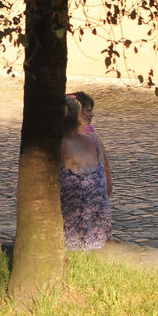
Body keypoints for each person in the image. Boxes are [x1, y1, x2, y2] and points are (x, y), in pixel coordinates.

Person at [60, 96, 112, 250]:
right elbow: (108, 185)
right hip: (99, 233)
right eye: (88, 111)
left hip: (71, 236)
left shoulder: (57, 146)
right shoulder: (95, 140)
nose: (92, 115)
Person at [69, 91, 112, 194]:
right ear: (76, 112)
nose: (92, 115)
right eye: (88, 111)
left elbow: (105, 167)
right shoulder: (93, 138)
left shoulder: (59, 139)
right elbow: (105, 167)